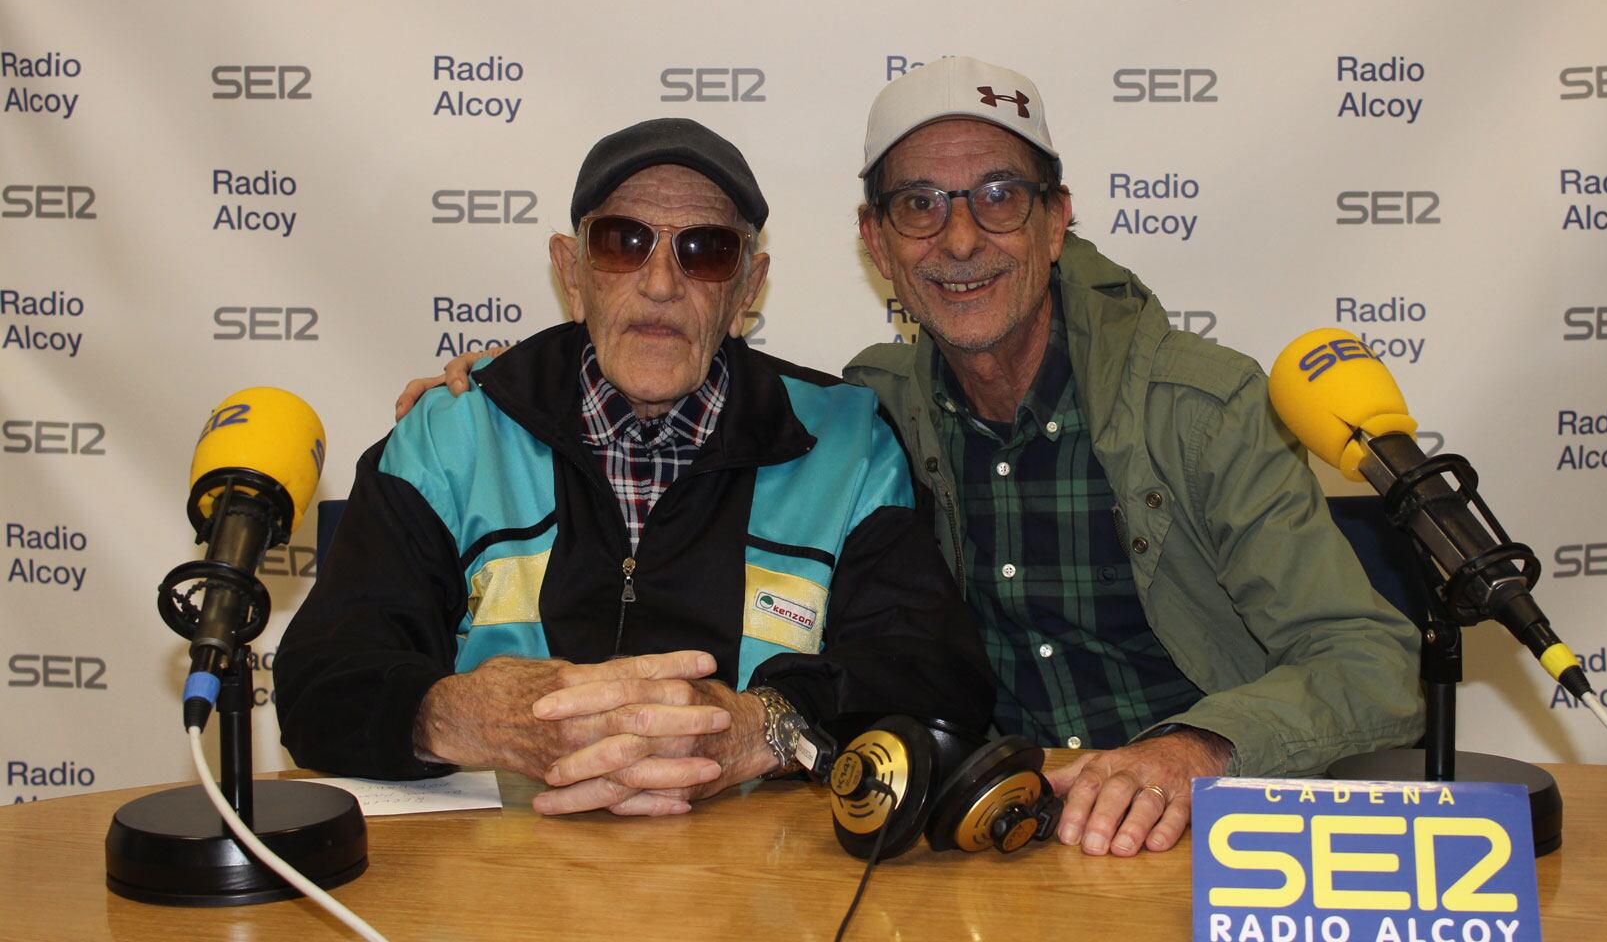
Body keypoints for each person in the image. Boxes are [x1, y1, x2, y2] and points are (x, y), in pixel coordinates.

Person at [401, 62, 1423, 854]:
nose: (960, 239)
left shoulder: (1201, 406)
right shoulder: (870, 408)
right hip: (986, 838)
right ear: (877, 243)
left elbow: (1369, 660)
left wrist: (1195, 752)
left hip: (1194, 838)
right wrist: (525, 381)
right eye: (920, 206)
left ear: (1057, 220)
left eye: (999, 196)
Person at [279, 118, 992, 818]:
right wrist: (469, 717)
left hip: (755, 877)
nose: (659, 283)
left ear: (746, 290)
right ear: (572, 274)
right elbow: (321, 682)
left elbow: (931, 675)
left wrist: (764, 727)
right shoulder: (452, 434)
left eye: (705, 251)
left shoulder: (847, 443)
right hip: (501, 869)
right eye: (623, 243)